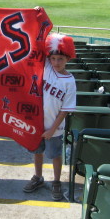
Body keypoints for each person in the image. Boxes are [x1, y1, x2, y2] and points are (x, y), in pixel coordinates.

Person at [23, 33, 76, 201]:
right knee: (37, 152)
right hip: (37, 124)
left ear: (68, 58)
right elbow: (38, 46)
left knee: (55, 155)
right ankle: (38, 177)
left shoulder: (69, 81)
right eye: (53, 58)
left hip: (56, 127)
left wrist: (52, 129)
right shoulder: (46, 67)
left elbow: (65, 110)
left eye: (60, 59)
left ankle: (56, 181)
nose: (56, 62)